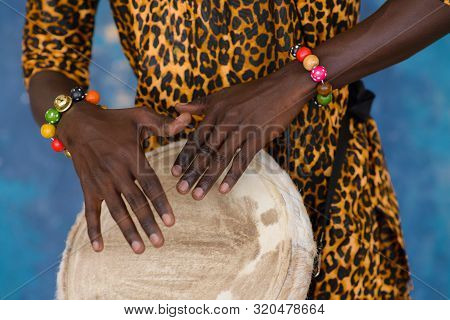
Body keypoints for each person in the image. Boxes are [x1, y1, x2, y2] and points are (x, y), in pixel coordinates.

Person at [23, 0, 450, 299]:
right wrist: (76, 121)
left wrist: (300, 79)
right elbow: (49, 49)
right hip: (173, 213)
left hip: (337, 204)